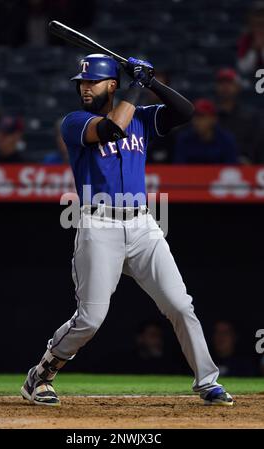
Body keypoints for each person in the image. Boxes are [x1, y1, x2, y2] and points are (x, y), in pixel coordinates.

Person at [21, 54, 233, 407]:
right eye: (82, 83)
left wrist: (150, 82)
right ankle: (40, 375)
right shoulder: (74, 121)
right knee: (90, 319)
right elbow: (111, 129)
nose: (85, 88)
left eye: (93, 82)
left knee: (180, 305)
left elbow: (185, 111)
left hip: (142, 224)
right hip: (98, 223)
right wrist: (137, 85)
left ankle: (207, 381)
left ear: (111, 85)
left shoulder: (142, 118)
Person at [215, 68, 262, 164]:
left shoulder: (250, 117)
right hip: (212, 167)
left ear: (238, 87)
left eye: (229, 82)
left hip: (245, 169)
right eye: (221, 83)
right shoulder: (208, 115)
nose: (225, 86)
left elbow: (257, 146)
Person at [173, 98, 238, 164]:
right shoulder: (184, 139)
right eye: (195, 116)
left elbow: (231, 169)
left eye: (202, 116)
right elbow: (179, 168)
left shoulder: (226, 140)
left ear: (213, 119)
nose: (197, 121)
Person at [237, 1, 264, 76]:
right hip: (251, 78)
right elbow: (242, 69)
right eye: (257, 24)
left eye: (262, 24)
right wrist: (253, 50)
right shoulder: (246, 39)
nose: (260, 29)